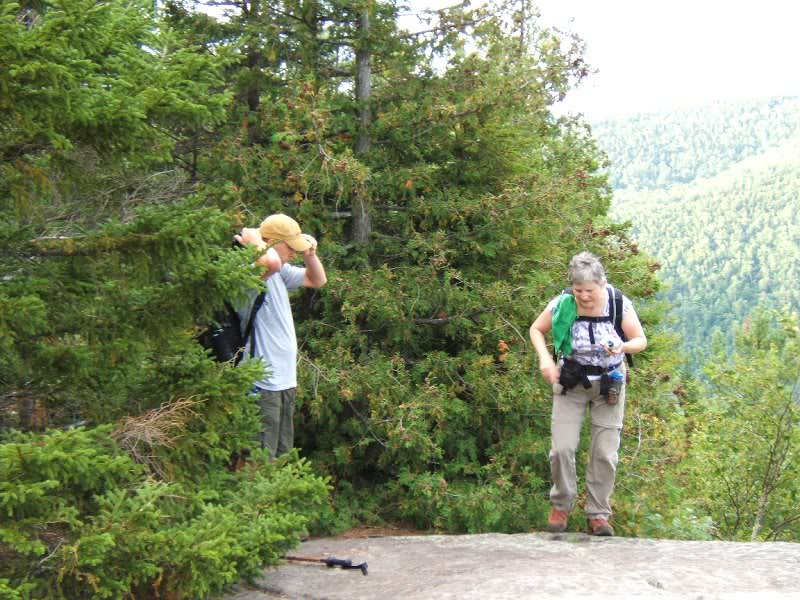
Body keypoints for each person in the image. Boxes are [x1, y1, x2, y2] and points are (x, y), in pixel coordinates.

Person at [529, 252, 647, 536]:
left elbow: (640, 340)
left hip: (609, 383)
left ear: (602, 283)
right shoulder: (563, 303)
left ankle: (598, 515)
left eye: (589, 290)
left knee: (605, 452)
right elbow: (537, 329)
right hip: (570, 381)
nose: (583, 296)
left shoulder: (618, 303)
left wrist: (622, 347)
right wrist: (545, 360)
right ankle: (561, 505)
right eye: (578, 289)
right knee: (562, 448)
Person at [234, 213, 327, 459]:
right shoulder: (250, 271)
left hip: (284, 380)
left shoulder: (279, 272)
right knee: (258, 458)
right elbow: (270, 263)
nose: (294, 253)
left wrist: (310, 255)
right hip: (261, 381)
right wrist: (254, 238)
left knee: (281, 454)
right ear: (271, 243)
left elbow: (317, 280)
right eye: (291, 247)